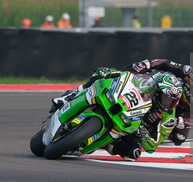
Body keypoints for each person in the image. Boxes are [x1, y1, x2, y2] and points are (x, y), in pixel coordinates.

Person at [51, 67, 183, 161]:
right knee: (99, 77)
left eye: (172, 100)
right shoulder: (145, 84)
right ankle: (71, 97)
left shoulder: (168, 118)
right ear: (157, 91)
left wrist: (144, 135)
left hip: (132, 130)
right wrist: (109, 72)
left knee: (133, 153)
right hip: (122, 107)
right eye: (165, 98)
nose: (168, 103)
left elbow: (152, 146)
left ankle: (107, 144)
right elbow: (126, 76)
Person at [131, 58, 193, 145]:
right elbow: (166, 64)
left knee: (179, 138)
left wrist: (179, 121)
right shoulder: (187, 71)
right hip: (165, 98)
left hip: (184, 112)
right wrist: (147, 64)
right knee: (163, 76)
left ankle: (151, 131)